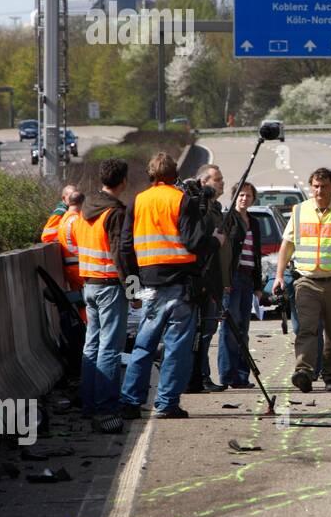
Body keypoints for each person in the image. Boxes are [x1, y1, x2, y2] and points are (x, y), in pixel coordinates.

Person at [118, 152, 224, 419]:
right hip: (180, 283)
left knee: (143, 345)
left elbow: (125, 247)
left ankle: (131, 401)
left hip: (149, 284)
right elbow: (193, 241)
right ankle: (166, 404)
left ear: (151, 174)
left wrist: (133, 285)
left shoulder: (137, 201)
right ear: (175, 174)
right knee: (176, 347)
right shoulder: (182, 200)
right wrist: (215, 241)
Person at [273, 167, 331, 393]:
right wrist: (278, 275)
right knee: (306, 329)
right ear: (311, 187)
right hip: (306, 280)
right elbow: (287, 245)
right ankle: (303, 371)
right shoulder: (299, 211)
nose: (319, 191)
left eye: (324, 187)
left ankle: (330, 376)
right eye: (315, 186)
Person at [76, 159, 135, 433]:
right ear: (122, 181)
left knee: (92, 346)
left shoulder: (86, 208)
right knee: (110, 348)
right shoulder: (115, 213)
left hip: (88, 284)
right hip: (110, 285)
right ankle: (106, 406)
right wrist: (133, 290)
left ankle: (89, 403)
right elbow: (122, 255)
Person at [217, 181, 264, 389]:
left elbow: (257, 255)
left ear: (253, 198)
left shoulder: (254, 222)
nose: (244, 199)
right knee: (230, 328)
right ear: (234, 196)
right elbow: (222, 252)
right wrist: (224, 281)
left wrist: (258, 284)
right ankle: (227, 375)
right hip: (232, 279)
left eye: (248, 196)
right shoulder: (228, 219)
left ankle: (241, 377)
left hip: (248, 278)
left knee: (243, 329)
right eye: (241, 195)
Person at [186, 163, 227, 393]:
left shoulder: (216, 207)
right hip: (202, 279)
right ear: (203, 182)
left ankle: (203, 375)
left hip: (215, 279)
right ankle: (198, 376)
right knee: (200, 332)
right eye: (217, 179)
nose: (222, 183)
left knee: (208, 330)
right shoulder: (199, 209)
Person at [57, 191, 85, 296]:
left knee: (81, 301)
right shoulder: (77, 220)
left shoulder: (63, 219)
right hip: (79, 268)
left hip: (69, 268)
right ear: (82, 203)